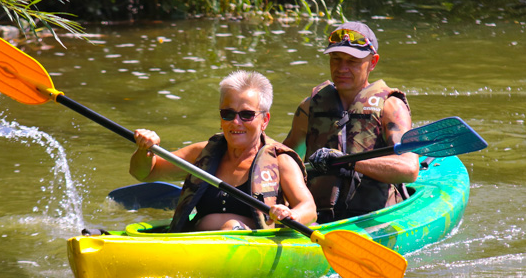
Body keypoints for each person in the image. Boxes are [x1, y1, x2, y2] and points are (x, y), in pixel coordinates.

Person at [130, 70, 316, 232]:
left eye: (246, 115)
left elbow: (309, 208)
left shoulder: (280, 160)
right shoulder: (202, 153)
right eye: (228, 114)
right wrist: (145, 149)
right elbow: (144, 173)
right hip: (199, 244)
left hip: (250, 250)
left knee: (231, 225)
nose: (236, 122)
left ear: (265, 120)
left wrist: (292, 214)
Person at [282, 21, 419, 223]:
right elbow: (285, 161)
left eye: (352, 61)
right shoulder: (310, 107)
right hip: (319, 219)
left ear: (373, 62)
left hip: (374, 216)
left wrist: (349, 161)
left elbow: (408, 170)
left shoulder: (391, 107)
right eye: (336, 59)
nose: (341, 68)